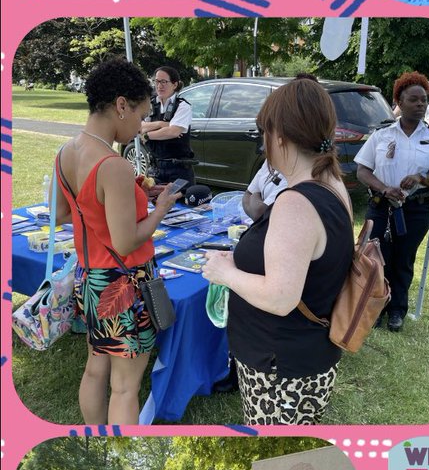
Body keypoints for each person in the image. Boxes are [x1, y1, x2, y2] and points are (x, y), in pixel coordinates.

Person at [202, 76, 355, 424]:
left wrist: (226, 274)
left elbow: (281, 297)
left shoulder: (296, 202)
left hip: (280, 369)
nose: (263, 143)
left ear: (280, 135)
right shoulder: (331, 184)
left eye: (264, 133)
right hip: (301, 357)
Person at [54, 58, 181, 424]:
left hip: (91, 277)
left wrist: (112, 205)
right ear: (121, 105)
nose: (141, 126)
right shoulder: (114, 165)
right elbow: (126, 242)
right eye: (140, 115)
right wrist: (160, 209)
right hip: (124, 283)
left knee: (96, 367)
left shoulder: (66, 152)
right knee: (125, 386)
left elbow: (62, 213)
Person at [355, 72, 429, 332]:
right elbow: (362, 170)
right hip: (382, 206)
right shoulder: (382, 135)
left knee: (403, 260)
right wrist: (384, 188)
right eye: (413, 100)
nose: (420, 104)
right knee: (377, 259)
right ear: (399, 101)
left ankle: (397, 310)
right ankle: (376, 308)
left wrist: (421, 177)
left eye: (423, 100)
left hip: (415, 210)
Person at [139, 65, 194, 186]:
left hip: (178, 169)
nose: (159, 86)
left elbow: (173, 132)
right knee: (152, 198)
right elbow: (139, 127)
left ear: (174, 84)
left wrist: (147, 136)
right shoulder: (150, 104)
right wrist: (160, 124)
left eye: (164, 82)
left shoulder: (182, 106)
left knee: (180, 198)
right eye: (157, 81)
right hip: (156, 169)